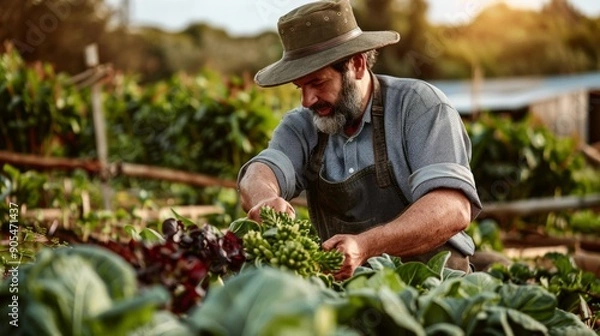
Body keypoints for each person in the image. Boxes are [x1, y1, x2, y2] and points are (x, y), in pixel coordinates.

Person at [237, 0, 482, 280]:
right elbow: (260, 170)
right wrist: (265, 198)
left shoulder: (419, 106)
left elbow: (452, 207)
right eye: (300, 87)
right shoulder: (302, 125)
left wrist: (367, 246)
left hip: (434, 289)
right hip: (351, 293)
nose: (307, 101)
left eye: (317, 83)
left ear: (356, 64)